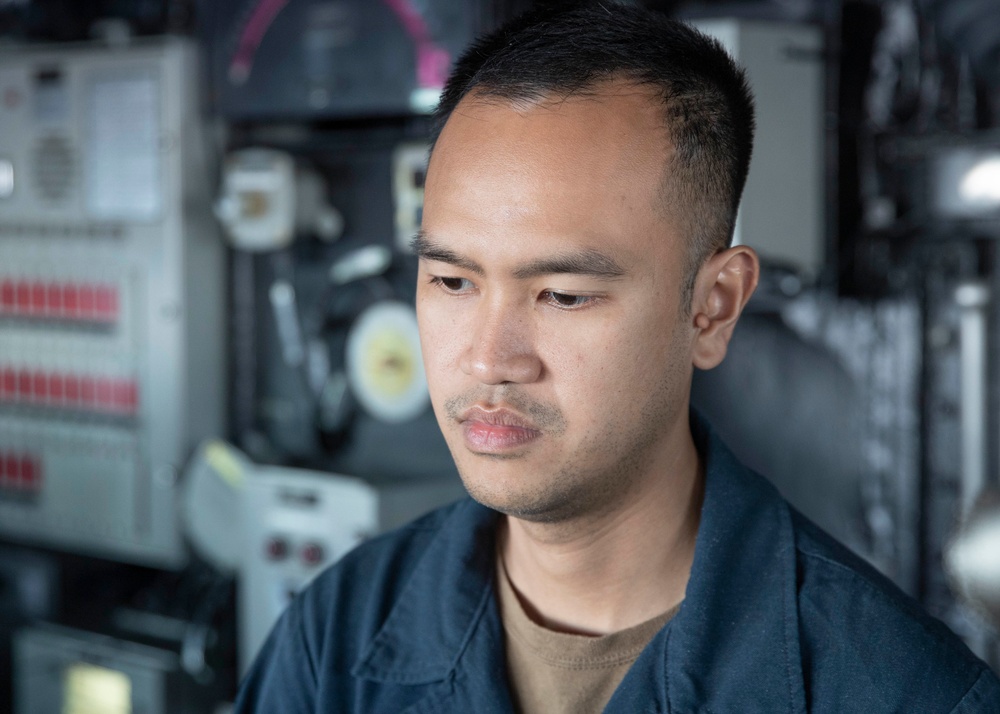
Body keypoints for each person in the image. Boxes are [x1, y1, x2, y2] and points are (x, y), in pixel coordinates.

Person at [234, 3, 1000, 712]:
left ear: (714, 307)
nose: (489, 359)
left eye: (563, 295)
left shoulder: (899, 692)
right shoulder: (332, 639)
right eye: (452, 280)